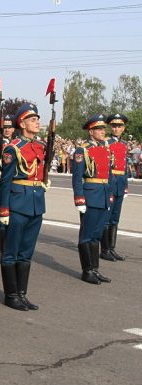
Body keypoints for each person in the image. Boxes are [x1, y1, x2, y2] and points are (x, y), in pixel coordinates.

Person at [0, 103, 46, 311]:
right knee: (11, 252)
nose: (37, 123)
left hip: (35, 204)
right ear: (22, 123)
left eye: (37, 119)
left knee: (26, 253)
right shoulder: (13, 148)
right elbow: (6, 181)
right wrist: (4, 209)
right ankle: (10, 295)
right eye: (33, 120)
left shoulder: (39, 146)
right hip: (17, 205)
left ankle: (22, 294)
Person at [71, 115, 115, 284]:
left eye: (104, 129)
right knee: (87, 235)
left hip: (103, 194)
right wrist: (79, 198)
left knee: (97, 235)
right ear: (91, 132)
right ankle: (87, 270)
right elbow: (77, 177)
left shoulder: (106, 149)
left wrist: (110, 194)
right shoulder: (83, 150)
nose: (103, 131)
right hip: (90, 194)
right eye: (99, 129)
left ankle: (95, 269)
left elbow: (109, 175)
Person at [103, 113, 129, 261]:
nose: (116, 128)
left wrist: (125, 186)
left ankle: (112, 248)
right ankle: (105, 249)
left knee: (115, 218)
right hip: (110, 182)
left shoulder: (124, 144)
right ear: (110, 127)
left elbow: (124, 167)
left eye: (119, 126)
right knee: (106, 218)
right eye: (114, 126)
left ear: (123, 128)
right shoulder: (106, 143)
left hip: (120, 183)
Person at [0, 114, 14, 264]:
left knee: (10, 219)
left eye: (9, 127)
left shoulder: (16, 145)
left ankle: (7, 248)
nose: (7, 130)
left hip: (13, 185)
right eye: (4, 127)